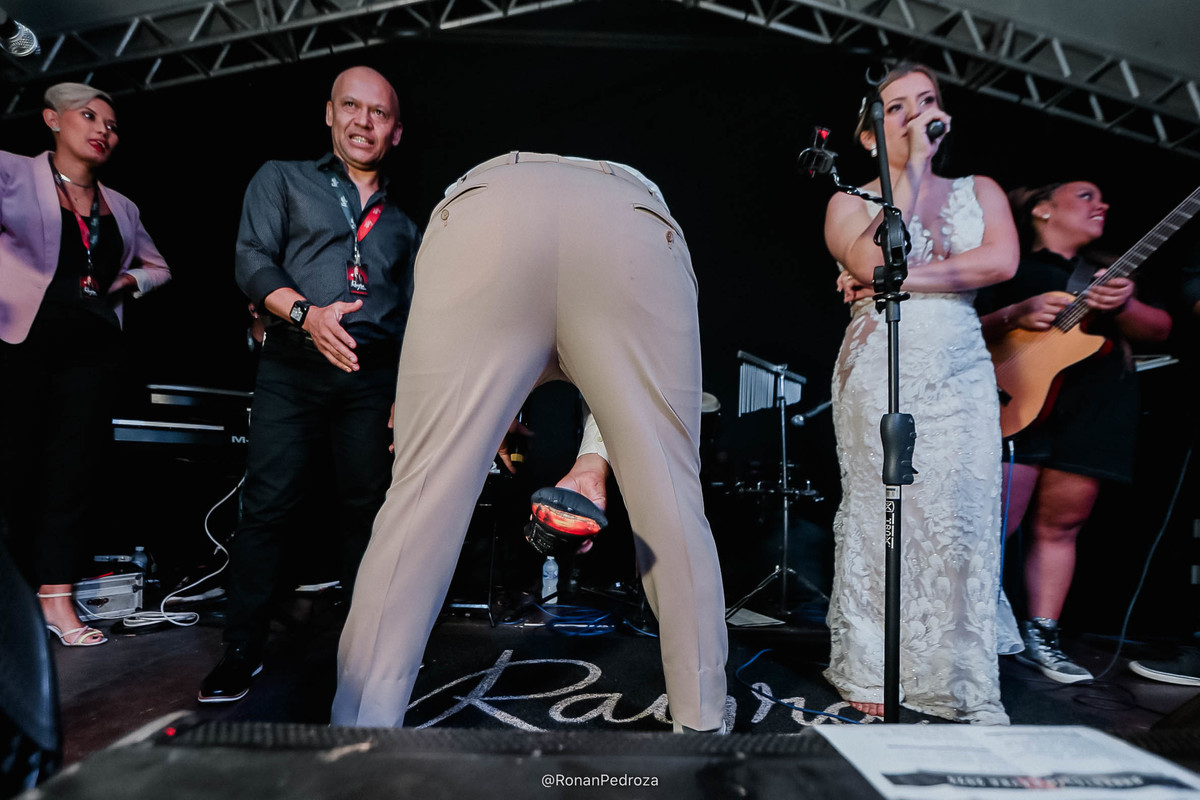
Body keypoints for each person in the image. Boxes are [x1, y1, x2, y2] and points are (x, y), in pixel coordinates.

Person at [332, 152, 729, 734]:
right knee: (671, 505)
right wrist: (597, 454)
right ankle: (703, 731)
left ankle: (356, 741)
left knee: (420, 505)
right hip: (627, 220)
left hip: (488, 211)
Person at [198, 66, 421, 703]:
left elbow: (417, 318)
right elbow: (251, 259)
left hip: (371, 377)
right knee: (267, 506)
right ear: (329, 113)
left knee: (367, 511)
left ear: (395, 132)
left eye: (378, 113)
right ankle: (241, 649)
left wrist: (406, 394)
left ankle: (365, 651)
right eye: (351, 106)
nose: (363, 121)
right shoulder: (282, 178)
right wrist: (307, 315)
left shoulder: (406, 226)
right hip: (293, 364)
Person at [823, 63, 1021, 723]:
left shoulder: (979, 189)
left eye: (926, 101)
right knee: (883, 507)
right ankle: (871, 667)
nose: (915, 115)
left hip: (959, 363)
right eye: (896, 108)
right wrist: (906, 176)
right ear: (869, 136)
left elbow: (1001, 262)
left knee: (961, 511)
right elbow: (868, 261)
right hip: (878, 359)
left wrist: (899, 280)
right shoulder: (848, 200)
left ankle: (956, 677)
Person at [977, 181, 1171, 683]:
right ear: (1042, 209)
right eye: (1085, 195)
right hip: (1019, 401)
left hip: (1095, 413)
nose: (1101, 204)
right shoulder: (1009, 264)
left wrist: (1124, 305)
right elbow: (961, 327)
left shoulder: (1112, 273)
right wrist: (1017, 313)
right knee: (991, 524)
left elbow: (1160, 331)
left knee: (1062, 528)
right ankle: (959, 627)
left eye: (1102, 198)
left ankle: (1041, 636)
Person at [0, 83, 171, 646]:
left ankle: (56, 603)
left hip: (92, 356)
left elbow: (159, 267)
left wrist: (124, 283)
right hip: (20, 345)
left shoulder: (121, 206)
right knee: (10, 474)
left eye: (112, 125)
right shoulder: (12, 173)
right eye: (89, 116)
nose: (103, 130)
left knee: (70, 480)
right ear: (52, 119)